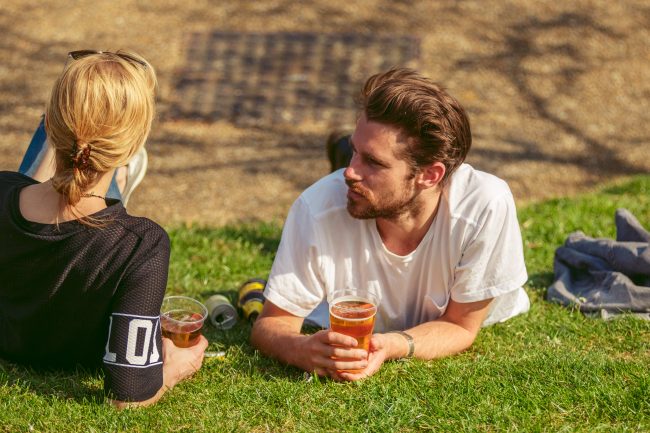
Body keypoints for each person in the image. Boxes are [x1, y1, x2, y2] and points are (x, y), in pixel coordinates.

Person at [251, 67, 529, 380]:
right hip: (338, 251)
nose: (350, 172)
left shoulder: (484, 206)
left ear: (429, 175)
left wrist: (393, 345)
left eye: (372, 161)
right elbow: (271, 324)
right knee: (339, 195)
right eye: (355, 153)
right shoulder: (316, 208)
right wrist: (299, 349)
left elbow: (460, 325)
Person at [0, 50, 207, 407]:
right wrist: (175, 366)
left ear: (48, 125)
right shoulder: (139, 244)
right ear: (134, 146)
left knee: (23, 184)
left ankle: (89, 155)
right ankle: (117, 176)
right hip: (75, 357)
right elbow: (128, 395)